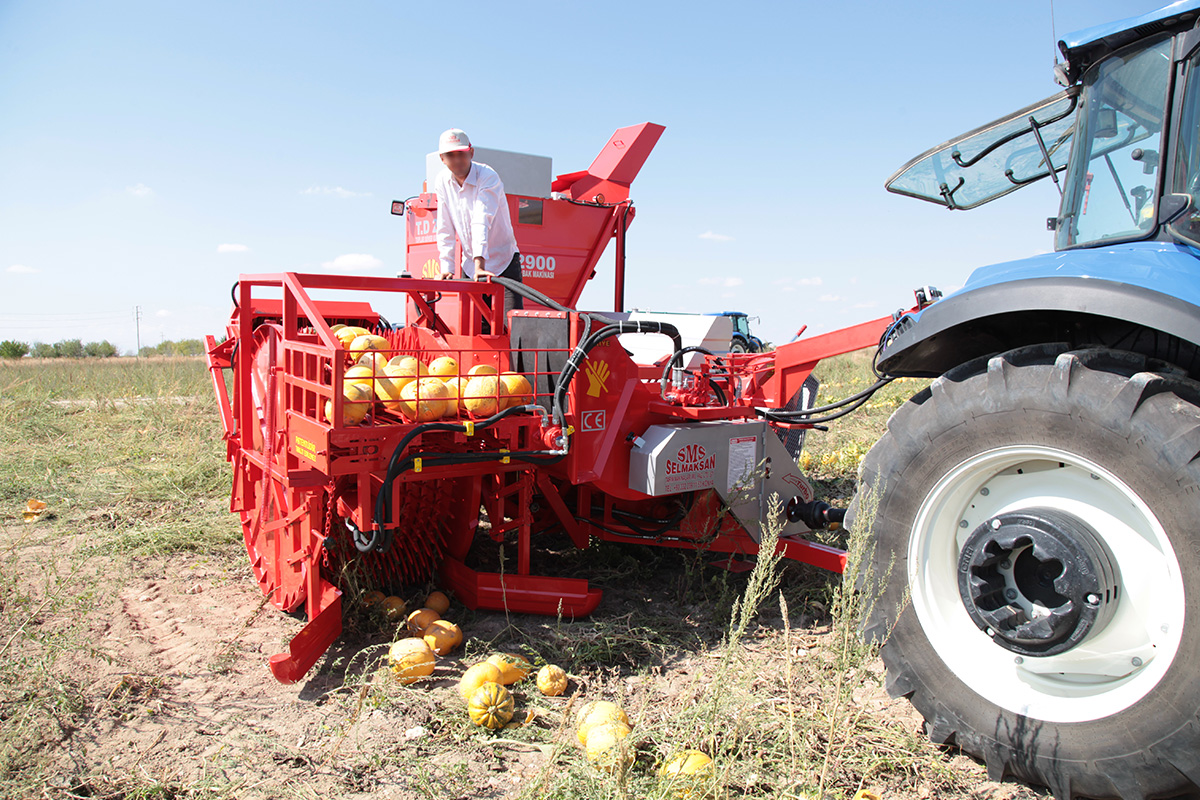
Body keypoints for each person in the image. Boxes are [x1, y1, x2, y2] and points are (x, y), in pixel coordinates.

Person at [432, 128, 524, 326]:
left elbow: (481, 219)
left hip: (503, 262)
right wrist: (447, 267)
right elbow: (444, 226)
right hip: (471, 266)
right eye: (450, 155)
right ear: (442, 158)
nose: (457, 160)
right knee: (474, 327)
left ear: (471, 153)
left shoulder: (487, 176)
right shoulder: (442, 181)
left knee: (512, 327)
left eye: (461, 154)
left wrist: (480, 265)